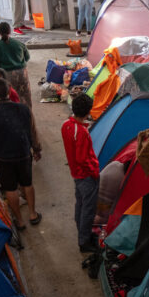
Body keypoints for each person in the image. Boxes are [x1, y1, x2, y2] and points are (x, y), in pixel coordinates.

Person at [0, 78, 42, 229]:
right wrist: (37, 149)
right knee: (27, 183)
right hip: (23, 152)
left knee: (10, 188)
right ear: (9, 90)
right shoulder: (24, 109)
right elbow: (33, 131)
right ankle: (33, 214)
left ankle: (19, 221)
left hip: (2, 157)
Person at [62, 94, 100, 253]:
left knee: (80, 203)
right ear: (88, 111)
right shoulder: (82, 132)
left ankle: (81, 231)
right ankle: (84, 241)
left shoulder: (67, 125)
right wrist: (94, 172)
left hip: (76, 174)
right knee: (88, 209)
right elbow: (82, 158)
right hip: (85, 175)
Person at [0, 22, 32, 105]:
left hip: (7, 74)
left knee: (11, 97)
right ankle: (28, 115)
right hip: (22, 73)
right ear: (10, 31)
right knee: (26, 96)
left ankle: (15, 116)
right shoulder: (19, 44)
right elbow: (27, 57)